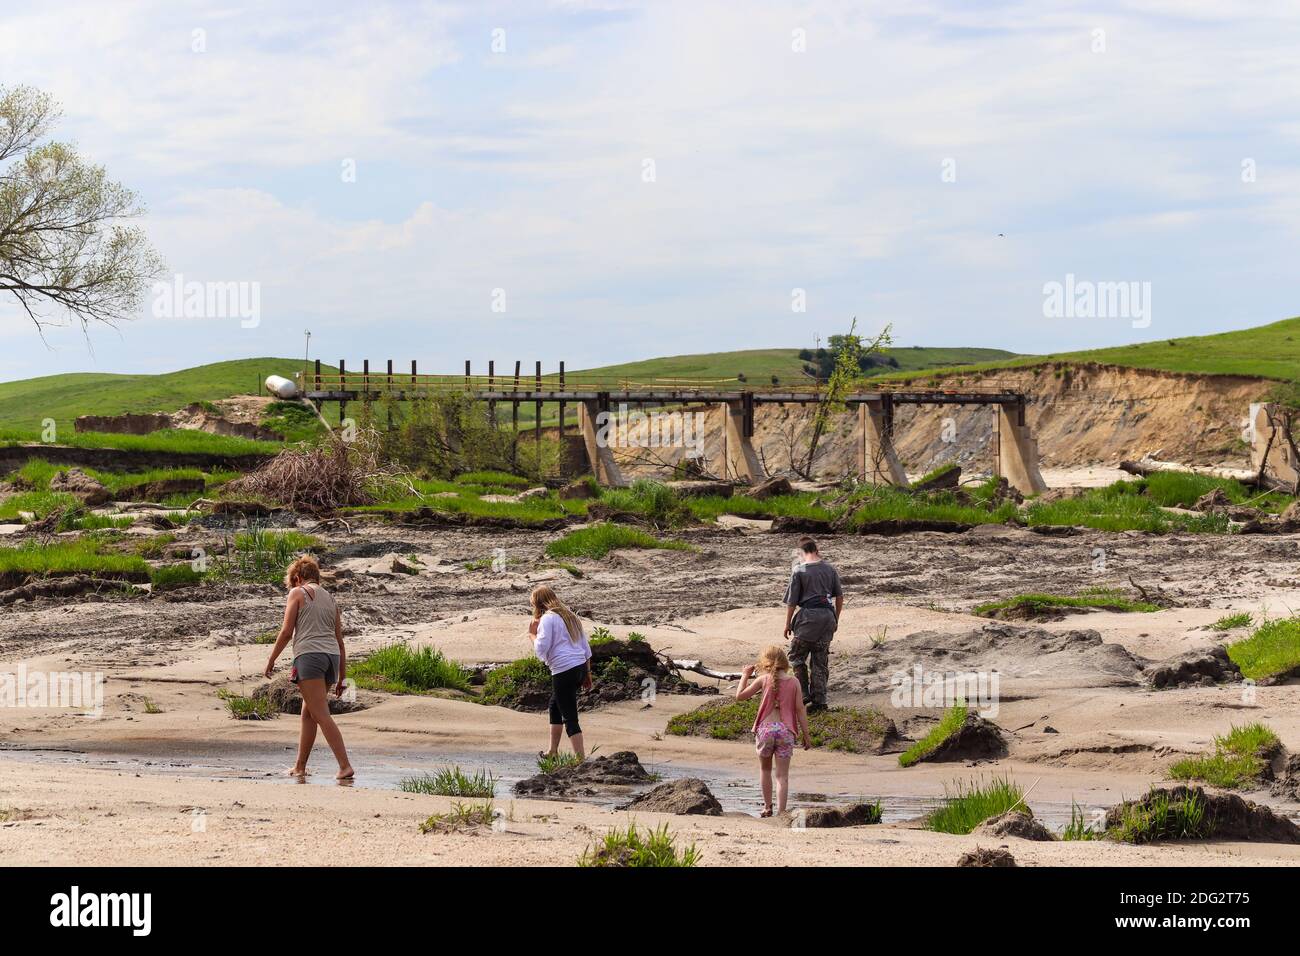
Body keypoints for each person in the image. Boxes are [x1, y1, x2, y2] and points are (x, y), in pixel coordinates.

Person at [264, 556, 354, 780]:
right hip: (331, 657)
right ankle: (300, 767)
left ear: (297, 578)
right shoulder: (331, 599)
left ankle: (345, 766)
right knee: (308, 712)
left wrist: (271, 659)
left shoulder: (297, 593)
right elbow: (340, 642)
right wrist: (342, 677)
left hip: (310, 656)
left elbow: (286, 632)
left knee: (321, 714)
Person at [735, 645, 810, 817]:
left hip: (765, 730)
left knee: (765, 770)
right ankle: (782, 812)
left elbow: (739, 696)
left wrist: (745, 675)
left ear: (764, 663)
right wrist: (806, 735)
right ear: (785, 663)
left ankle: (767, 807)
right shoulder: (794, 682)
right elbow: (800, 710)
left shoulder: (764, 679)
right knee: (782, 776)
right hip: (785, 731)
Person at [529, 585, 593, 762]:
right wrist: (587, 674)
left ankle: (580, 760)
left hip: (564, 669)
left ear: (538, 604)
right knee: (554, 706)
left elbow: (542, 649)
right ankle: (552, 751)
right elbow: (586, 649)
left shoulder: (548, 619)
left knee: (570, 716)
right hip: (579, 666)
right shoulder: (570, 616)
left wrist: (532, 635)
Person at [783, 536, 842, 713]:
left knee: (796, 656)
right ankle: (820, 702)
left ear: (801, 553)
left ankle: (803, 694)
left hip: (808, 618)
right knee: (820, 660)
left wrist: (787, 624)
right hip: (827, 617)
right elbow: (839, 597)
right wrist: (836, 619)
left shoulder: (799, 571)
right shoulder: (830, 569)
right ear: (817, 550)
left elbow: (792, 602)